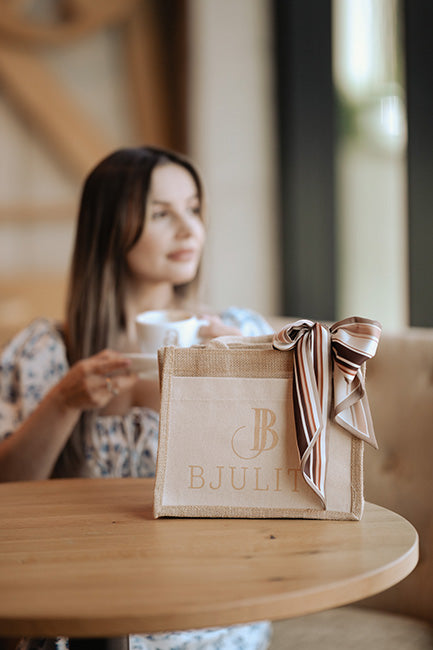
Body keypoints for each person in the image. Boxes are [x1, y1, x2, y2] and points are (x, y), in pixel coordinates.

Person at [0, 146, 273, 650]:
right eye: (160, 215)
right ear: (108, 227)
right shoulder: (44, 351)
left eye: (193, 209)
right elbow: (7, 490)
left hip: (204, 605)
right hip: (75, 603)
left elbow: (281, 487)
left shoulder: (242, 338)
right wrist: (63, 401)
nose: (190, 230)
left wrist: (245, 373)